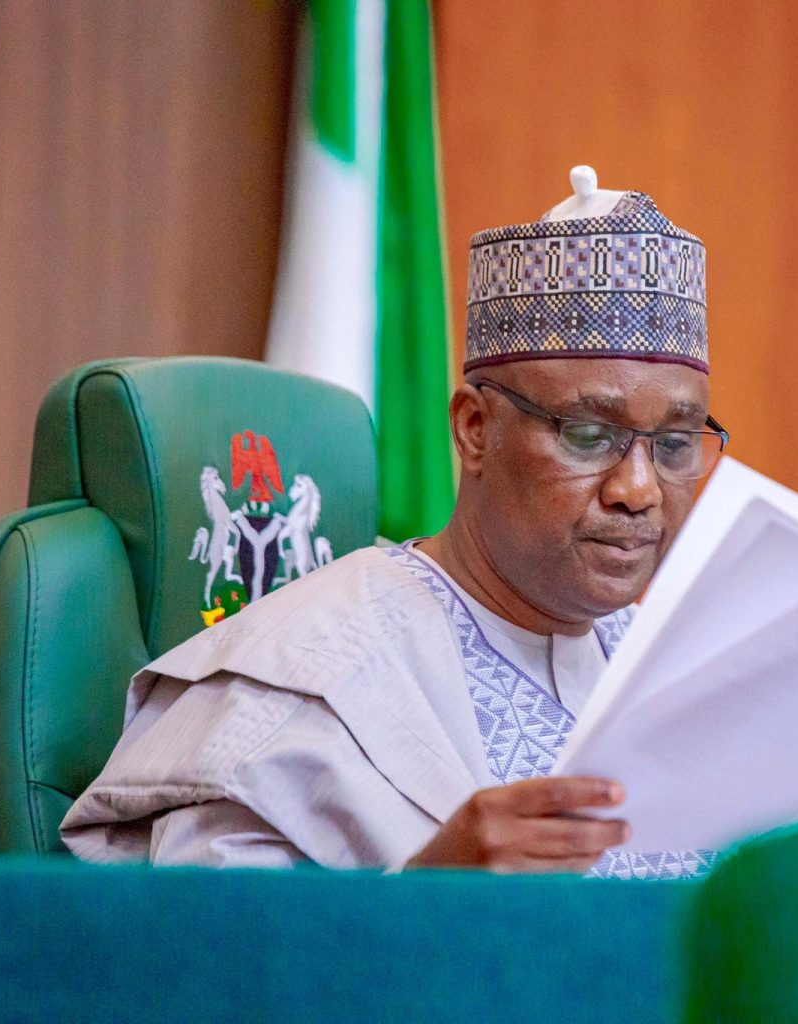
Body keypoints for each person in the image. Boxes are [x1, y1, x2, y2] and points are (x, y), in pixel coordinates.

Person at [61, 168, 726, 877]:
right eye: (588, 435)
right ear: (475, 430)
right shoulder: (297, 682)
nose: (638, 489)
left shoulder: (678, 672)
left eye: (673, 445)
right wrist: (429, 894)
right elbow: (194, 942)